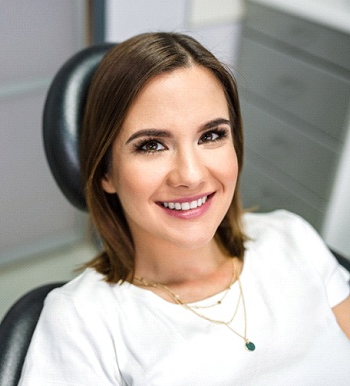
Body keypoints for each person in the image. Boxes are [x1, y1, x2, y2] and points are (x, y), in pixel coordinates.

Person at [19, 32, 350, 385]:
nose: (190, 176)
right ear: (105, 171)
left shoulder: (292, 238)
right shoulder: (80, 320)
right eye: (151, 145)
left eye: (211, 136)